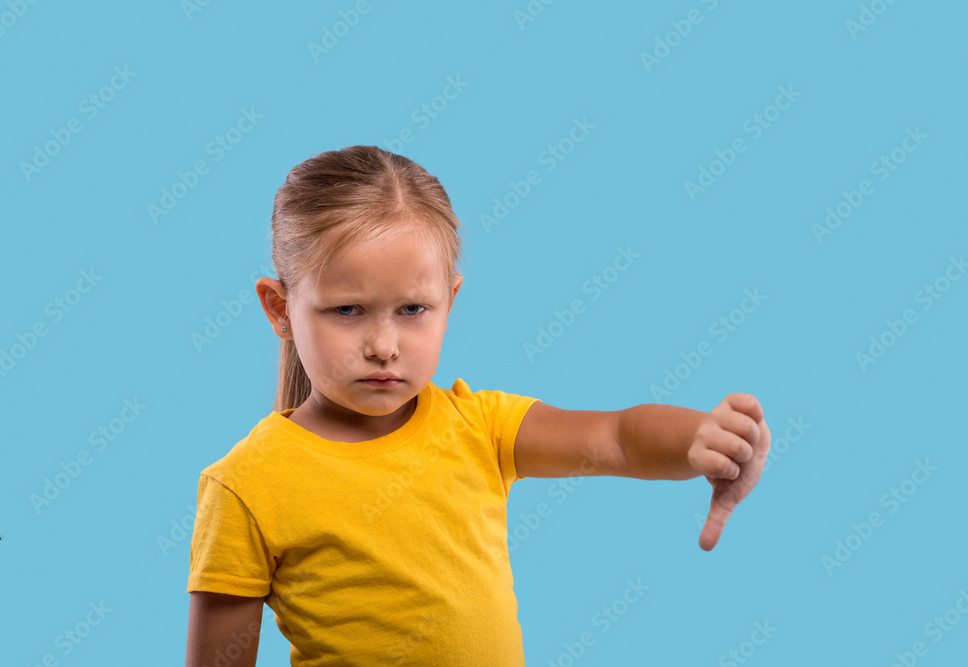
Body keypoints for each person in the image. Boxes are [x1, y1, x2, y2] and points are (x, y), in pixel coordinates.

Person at [184, 145, 772, 666]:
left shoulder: (481, 426)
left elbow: (617, 438)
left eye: (413, 309)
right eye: (347, 310)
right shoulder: (246, 486)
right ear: (279, 307)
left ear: (450, 300)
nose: (384, 346)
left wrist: (701, 440)